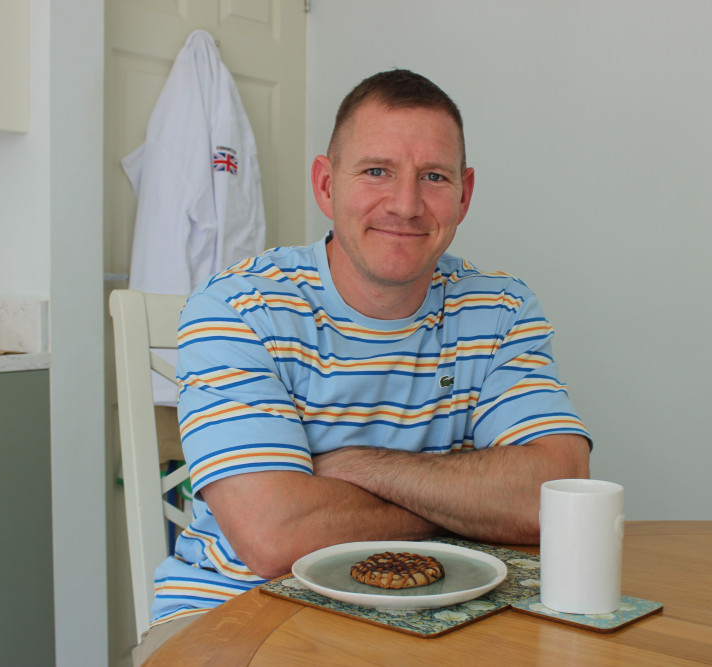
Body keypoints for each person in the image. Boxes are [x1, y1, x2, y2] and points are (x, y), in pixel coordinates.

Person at [136, 68, 591, 658]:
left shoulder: (501, 308)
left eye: (433, 176)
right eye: (377, 171)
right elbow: (274, 537)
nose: (405, 204)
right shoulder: (239, 308)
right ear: (326, 185)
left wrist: (360, 468)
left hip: (445, 617)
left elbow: (555, 495)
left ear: (464, 194)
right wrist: (463, 504)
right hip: (234, 614)